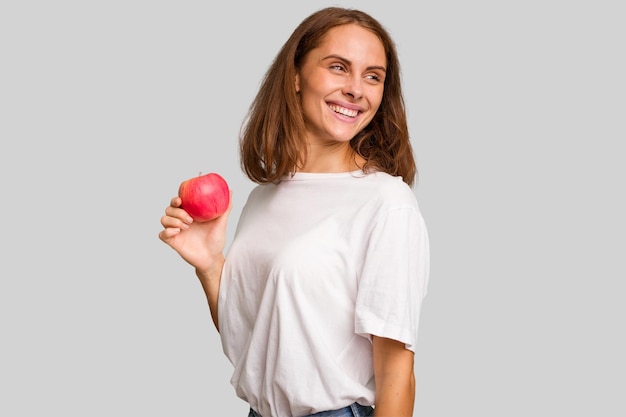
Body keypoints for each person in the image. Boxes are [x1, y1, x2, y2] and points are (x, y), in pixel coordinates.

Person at [159, 6, 430, 417]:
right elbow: (262, 342)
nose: (357, 89)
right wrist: (210, 266)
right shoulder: (264, 196)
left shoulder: (386, 203)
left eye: (373, 76)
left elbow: (397, 372)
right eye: (339, 67)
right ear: (296, 76)